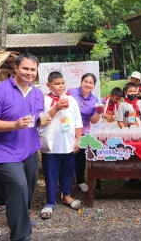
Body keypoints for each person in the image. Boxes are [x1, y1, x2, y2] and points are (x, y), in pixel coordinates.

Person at [0, 53, 48, 241]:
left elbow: (34, 119)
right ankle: (21, 236)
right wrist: (14, 125)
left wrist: (42, 120)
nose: (29, 72)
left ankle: (20, 218)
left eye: (33, 69)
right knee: (18, 186)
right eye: (25, 68)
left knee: (27, 191)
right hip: (5, 151)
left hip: (30, 149)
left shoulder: (37, 93)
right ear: (15, 69)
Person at [40, 71, 83, 219]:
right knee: (51, 174)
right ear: (48, 85)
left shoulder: (72, 100)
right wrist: (56, 107)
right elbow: (42, 121)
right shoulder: (44, 101)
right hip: (51, 147)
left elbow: (78, 121)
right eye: (57, 84)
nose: (60, 86)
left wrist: (78, 140)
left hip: (69, 145)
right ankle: (50, 201)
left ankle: (66, 195)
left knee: (68, 172)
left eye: (62, 83)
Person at [67, 73, 104, 193]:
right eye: (86, 81)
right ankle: (66, 182)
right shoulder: (71, 92)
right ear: (81, 82)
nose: (88, 84)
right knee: (67, 156)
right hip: (68, 130)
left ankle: (80, 181)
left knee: (80, 158)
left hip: (83, 131)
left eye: (91, 82)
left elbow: (93, 120)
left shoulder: (94, 100)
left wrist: (99, 112)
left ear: (94, 85)